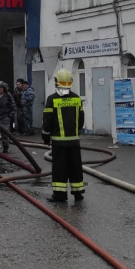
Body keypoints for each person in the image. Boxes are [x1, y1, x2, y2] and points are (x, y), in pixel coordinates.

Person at [42, 68, 85, 203]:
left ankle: (60, 195)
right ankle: (78, 193)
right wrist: (76, 132)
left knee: (60, 168)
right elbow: (81, 119)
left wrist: (45, 136)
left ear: (56, 82)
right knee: (75, 166)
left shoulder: (52, 99)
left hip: (59, 142)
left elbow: (47, 120)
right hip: (74, 141)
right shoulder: (77, 98)